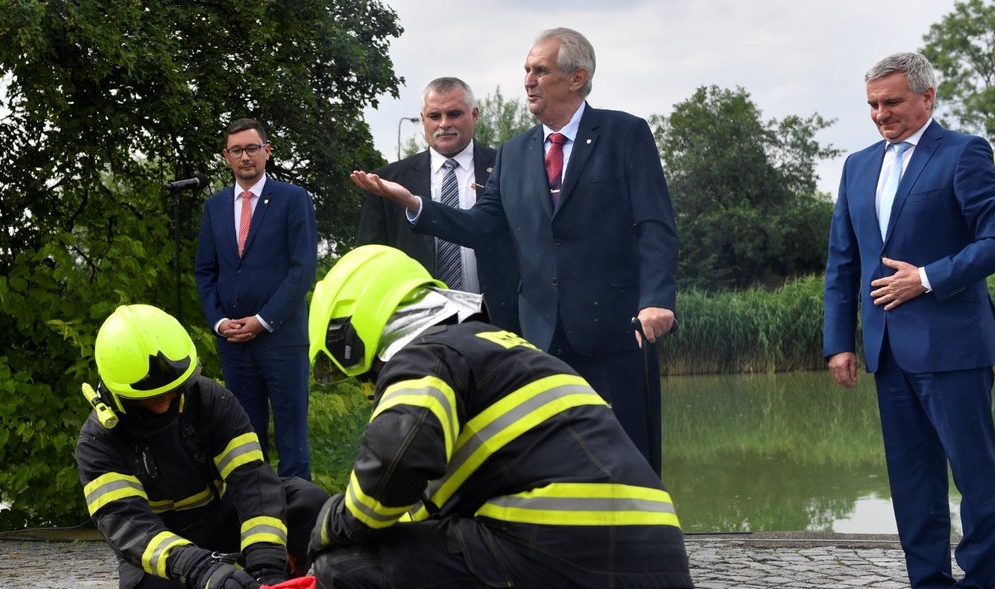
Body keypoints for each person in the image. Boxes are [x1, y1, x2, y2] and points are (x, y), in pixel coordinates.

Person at [304, 245, 787, 589]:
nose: (369, 388)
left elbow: (394, 465)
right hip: (645, 566)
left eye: (360, 374)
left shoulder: (426, 353)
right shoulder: (509, 351)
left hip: (558, 551)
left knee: (345, 568)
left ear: (358, 330)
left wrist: (330, 527)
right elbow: (428, 514)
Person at [350, 28, 678, 462]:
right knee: (556, 453)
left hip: (617, 328)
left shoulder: (625, 133)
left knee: (629, 450)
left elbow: (654, 226)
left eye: (540, 71)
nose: (528, 80)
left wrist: (656, 300)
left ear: (576, 78)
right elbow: (482, 226)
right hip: (541, 333)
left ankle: (644, 531)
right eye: (526, 70)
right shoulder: (515, 152)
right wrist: (414, 203)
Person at [822, 53, 995, 589]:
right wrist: (839, 342)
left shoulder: (962, 153)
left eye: (892, 102)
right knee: (912, 480)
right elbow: (843, 262)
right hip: (886, 349)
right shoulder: (858, 167)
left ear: (927, 98)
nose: (881, 114)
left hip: (954, 345)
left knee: (973, 477)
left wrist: (928, 277)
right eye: (873, 105)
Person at [75, 304, 327, 589]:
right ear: (118, 392)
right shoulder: (99, 442)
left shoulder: (211, 400)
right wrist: (201, 570)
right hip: (158, 550)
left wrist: (267, 569)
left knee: (307, 501)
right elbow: (132, 529)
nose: (164, 403)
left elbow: (254, 485)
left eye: (173, 390)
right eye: (150, 398)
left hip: (217, 520)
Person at [195, 117, 318, 481]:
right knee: (245, 438)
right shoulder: (215, 207)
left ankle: (299, 522)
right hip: (233, 341)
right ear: (226, 156)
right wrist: (218, 322)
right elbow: (206, 271)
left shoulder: (293, 200)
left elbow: (302, 268)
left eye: (252, 148)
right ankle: (257, 516)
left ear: (267, 151)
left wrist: (263, 320)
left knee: (291, 438)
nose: (245, 157)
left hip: (281, 338)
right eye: (237, 150)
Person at [357, 76, 519, 332]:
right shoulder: (387, 181)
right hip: (417, 328)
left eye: (454, 114)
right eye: (435, 116)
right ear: (423, 119)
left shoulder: (509, 168)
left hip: (498, 324)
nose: (444, 124)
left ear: (474, 114)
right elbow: (372, 260)